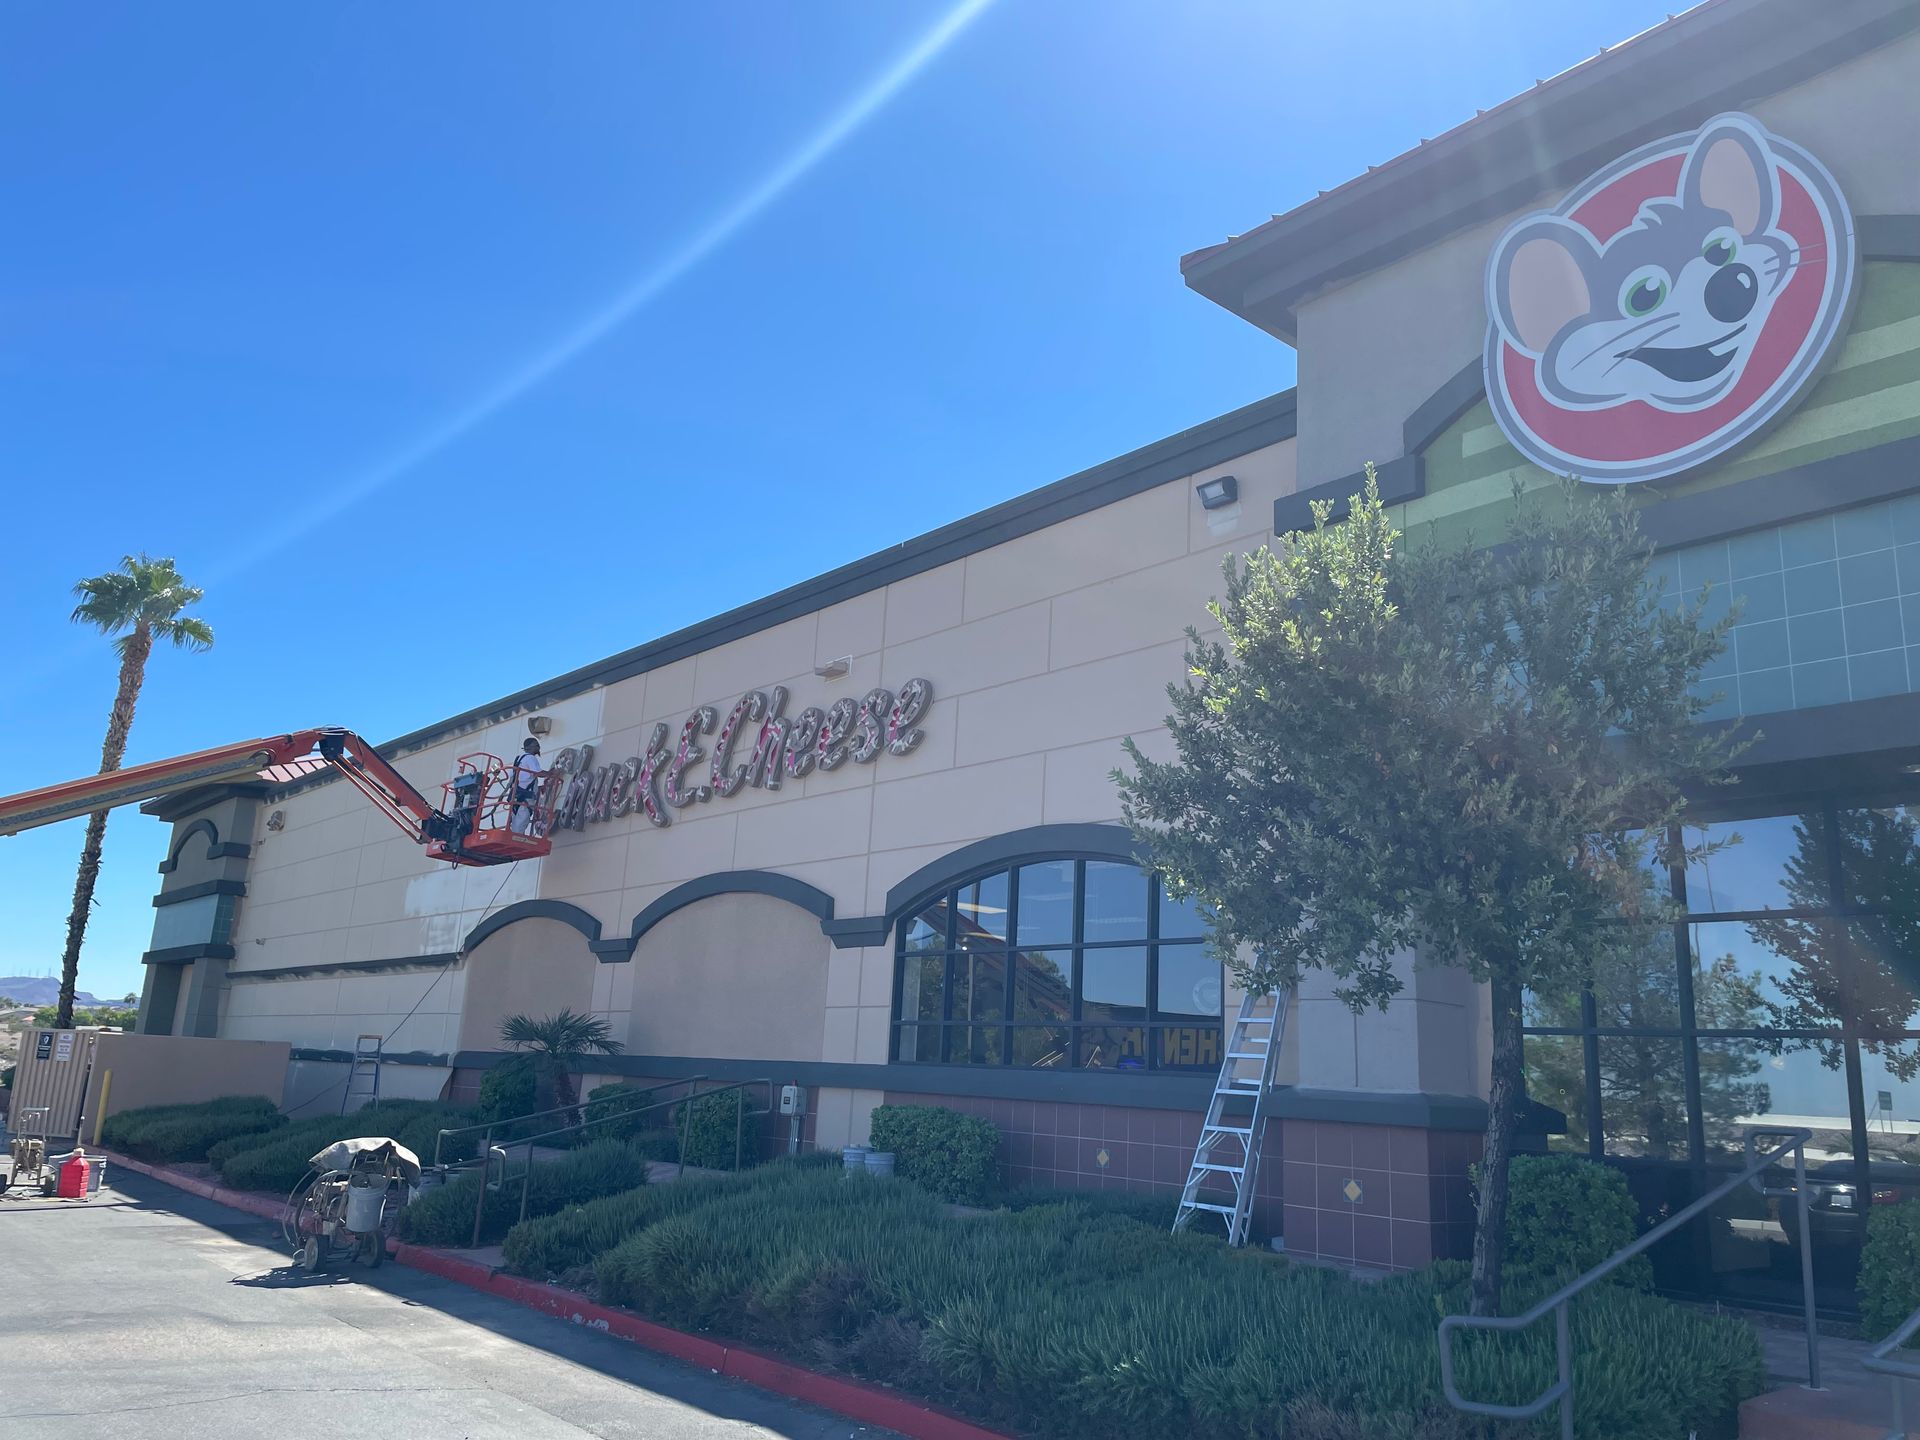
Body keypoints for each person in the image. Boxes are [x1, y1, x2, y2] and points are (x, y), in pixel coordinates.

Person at [509, 737, 543, 835]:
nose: (538, 748)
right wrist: (552, 774)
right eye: (536, 745)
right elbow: (537, 773)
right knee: (522, 820)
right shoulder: (530, 758)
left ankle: (514, 837)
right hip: (526, 796)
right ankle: (516, 839)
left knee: (515, 821)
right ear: (529, 747)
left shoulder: (518, 759)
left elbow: (512, 777)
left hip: (515, 795)